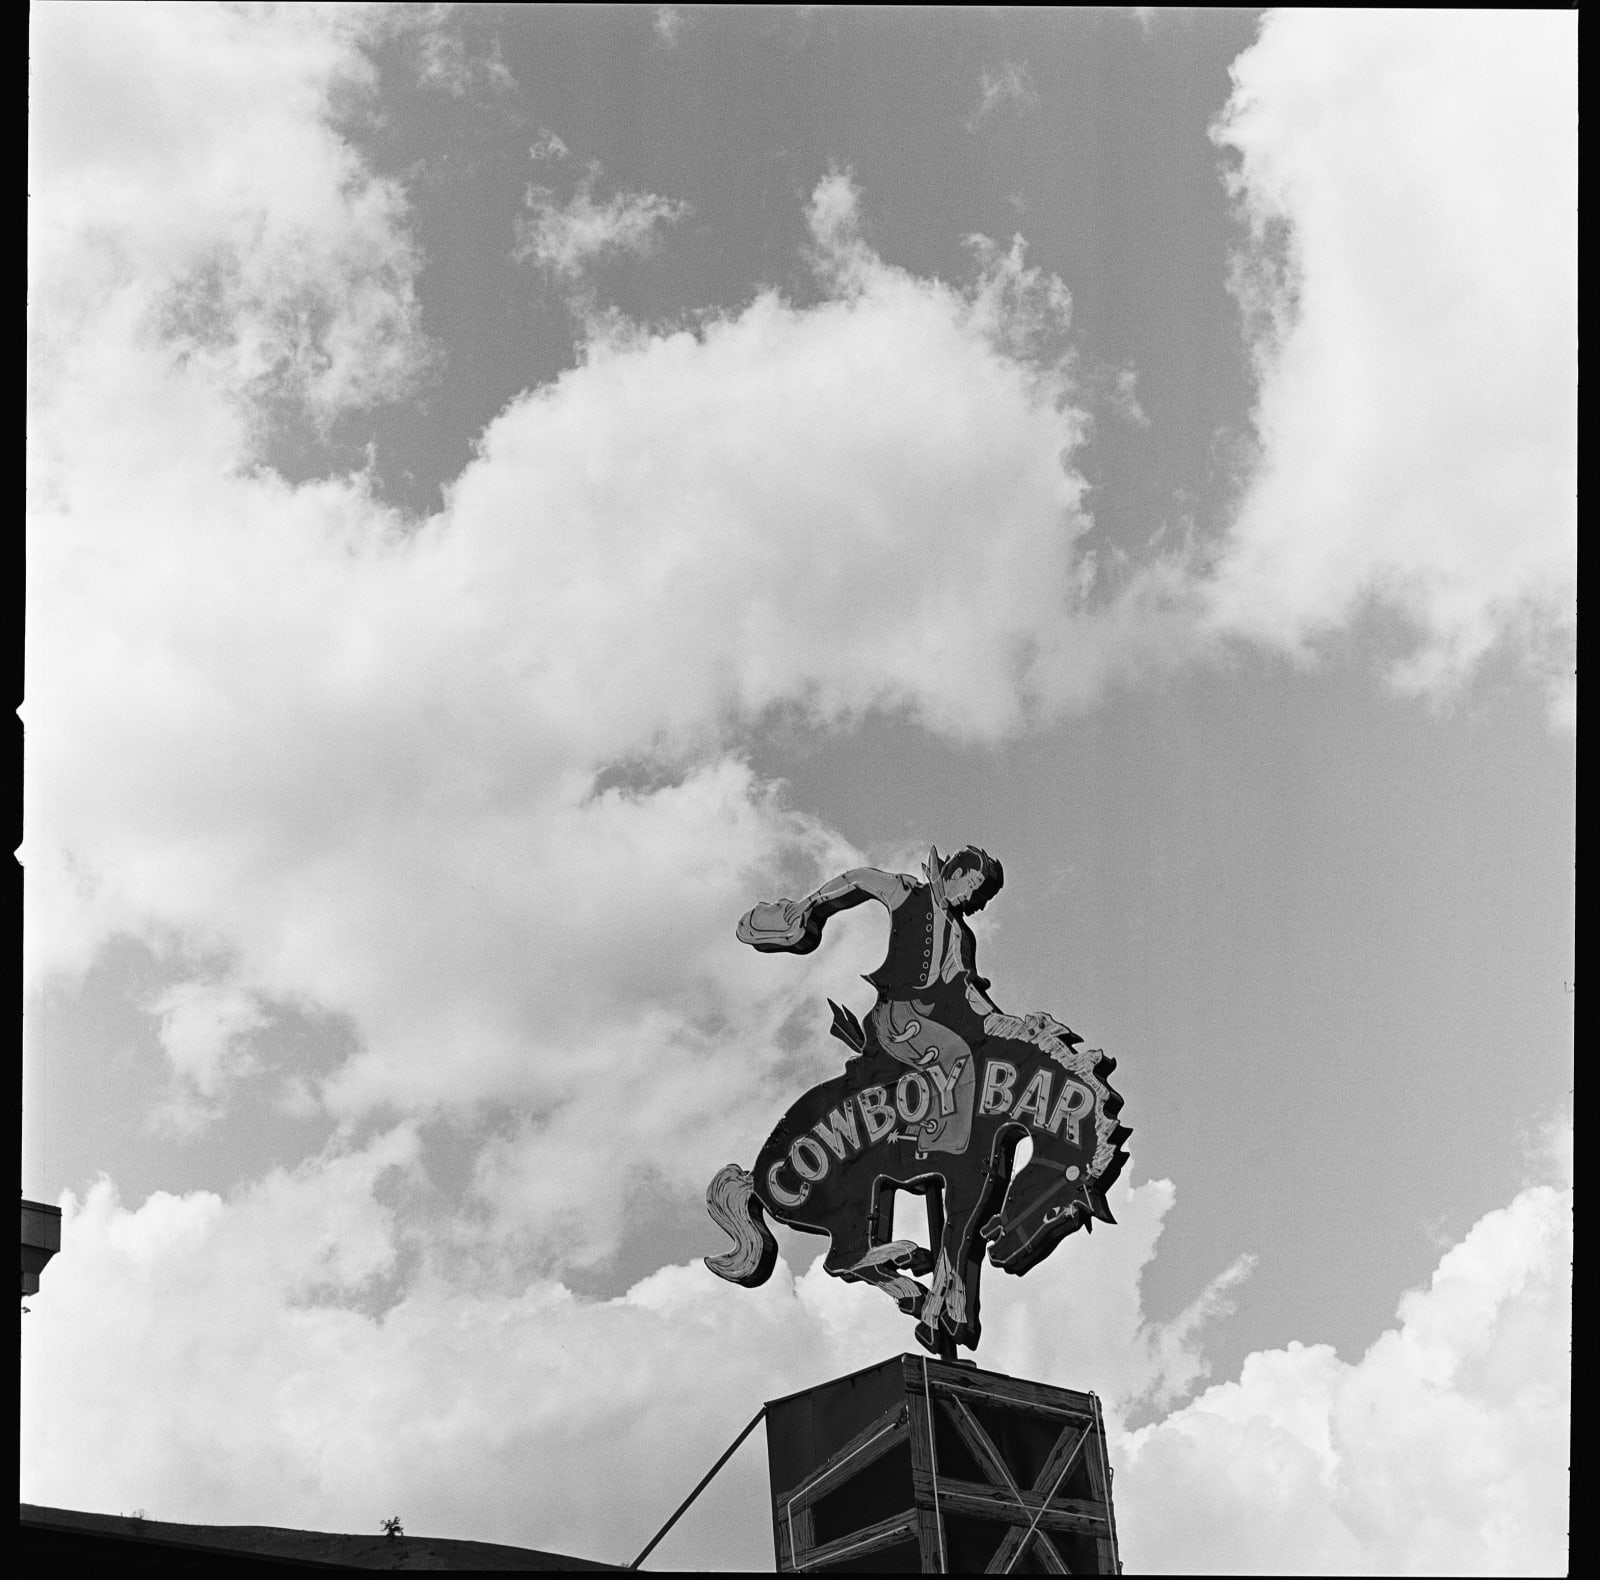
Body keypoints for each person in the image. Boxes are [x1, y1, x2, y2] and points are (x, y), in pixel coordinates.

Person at [739, 845, 1047, 1158]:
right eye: (974, 888)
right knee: (957, 1057)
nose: (976, 903)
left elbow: (966, 990)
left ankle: (932, 1132)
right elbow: (860, 881)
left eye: (983, 898)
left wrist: (1006, 1027)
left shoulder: (959, 937)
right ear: (956, 873)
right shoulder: (907, 893)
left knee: (971, 1061)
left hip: (930, 1020)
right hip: (898, 1017)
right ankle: (942, 1148)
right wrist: (809, 906)